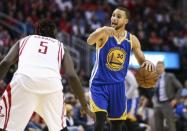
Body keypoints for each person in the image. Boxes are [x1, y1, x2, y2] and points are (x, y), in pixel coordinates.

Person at [0, 19, 92, 131]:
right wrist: (83, 105)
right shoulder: (60, 46)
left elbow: (5, 62)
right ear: (54, 35)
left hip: (24, 81)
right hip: (52, 85)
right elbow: (72, 76)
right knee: (60, 128)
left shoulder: (25, 40)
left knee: (4, 125)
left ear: (36, 32)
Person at [87, 6, 155, 131]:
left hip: (118, 86)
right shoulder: (104, 32)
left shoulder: (132, 39)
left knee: (117, 124)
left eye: (118, 16)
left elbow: (140, 58)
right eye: (113, 15)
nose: (114, 18)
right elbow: (90, 41)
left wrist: (146, 63)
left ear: (125, 21)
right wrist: (101, 30)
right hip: (99, 84)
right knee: (100, 119)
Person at [152, 61, 183, 131]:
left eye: (160, 67)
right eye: (157, 67)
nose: (158, 69)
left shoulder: (170, 76)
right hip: (157, 105)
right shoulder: (155, 78)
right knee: (157, 126)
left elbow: (180, 88)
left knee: (171, 126)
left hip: (167, 104)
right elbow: (154, 91)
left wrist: (175, 100)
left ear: (164, 68)